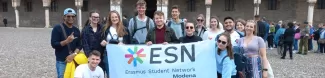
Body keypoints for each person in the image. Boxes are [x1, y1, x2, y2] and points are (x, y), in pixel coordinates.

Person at [50, 8, 82, 78]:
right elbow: (54, 44)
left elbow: (79, 45)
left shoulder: (76, 30)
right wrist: (66, 41)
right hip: (62, 61)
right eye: (68, 16)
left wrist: (73, 54)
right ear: (64, 17)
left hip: (74, 60)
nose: (71, 18)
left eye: (73, 16)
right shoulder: (57, 28)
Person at [100, 10, 130, 77]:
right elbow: (101, 40)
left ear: (119, 18)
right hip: (108, 54)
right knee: (110, 73)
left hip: (120, 55)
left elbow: (128, 43)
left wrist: (123, 45)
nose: (114, 19)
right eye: (112, 17)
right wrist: (103, 42)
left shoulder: (124, 29)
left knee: (120, 73)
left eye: (116, 17)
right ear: (110, 18)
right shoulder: (105, 29)